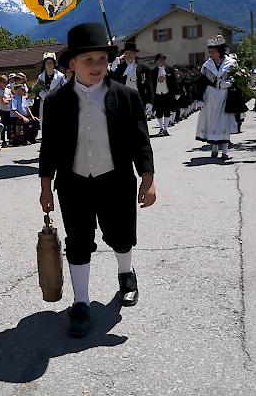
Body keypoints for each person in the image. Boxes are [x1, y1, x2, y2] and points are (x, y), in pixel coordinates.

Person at [39, 23, 156, 338]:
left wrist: (148, 177)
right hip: (73, 183)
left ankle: (125, 274)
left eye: (102, 60)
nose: (96, 66)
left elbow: (140, 141)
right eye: (88, 60)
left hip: (116, 179)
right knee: (78, 242)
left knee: (121, 234)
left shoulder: (127, 96)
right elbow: (48, 147)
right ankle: (81, 301)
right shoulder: (55, 101)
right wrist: (45, 186)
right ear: (72, 64)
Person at [195, 35, 239, 160]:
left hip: (226, 97)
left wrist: (231, 83)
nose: (212, 54)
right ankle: (214, 149)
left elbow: (237, 80)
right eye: (210, 52)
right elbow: (201, 83)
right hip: (211, 97)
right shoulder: (207, 65)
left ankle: (225, 151)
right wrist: (199, 99)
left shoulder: (231, 63)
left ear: (220, 51)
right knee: (213, 122)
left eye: (214, 51)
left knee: (224, 122)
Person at [110, 41, 154, 117]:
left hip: (139, 99)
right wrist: (113, 66)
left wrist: (150, 101)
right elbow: (113, 83)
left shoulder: (144, 68)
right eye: (126, 53)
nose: (128, 55)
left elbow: (149, 86)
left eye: (130, 52)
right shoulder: (119, 69)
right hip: (123, 101)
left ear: (135, 54)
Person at [151, 54, 179, 136]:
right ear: (156, 61)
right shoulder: (153, 71)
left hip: (167, 93)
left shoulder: (169, 69)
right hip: (157, 94)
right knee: (158, 112)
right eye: (160, 60)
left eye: (163, 59)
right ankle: (161, 128)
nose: (162, 61)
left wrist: (177, 92)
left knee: (167, 111)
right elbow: (151, 83)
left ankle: (166, 129)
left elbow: (174, 81)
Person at [37, 52, 66, 124]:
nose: (49, 65)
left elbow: (64, 89)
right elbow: (39, 90)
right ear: (44, 65)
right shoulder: (40, 77)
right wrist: (47, 98)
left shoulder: (60, 76)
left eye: (51, 63)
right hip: (45, 102)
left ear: (54, 64)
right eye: (47, 63)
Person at [0, 75, 12, 147]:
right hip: (3, 110)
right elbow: (2, 101)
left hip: (9, 109)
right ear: (0, 83)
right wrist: (8, 99)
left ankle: (10, 138)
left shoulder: (8, 90)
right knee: (3, 126)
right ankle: (3, 140)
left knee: (9, 125)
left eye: (6, 82)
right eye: (3, 82)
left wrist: (8, 99)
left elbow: (11, 97)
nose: (5, 84)